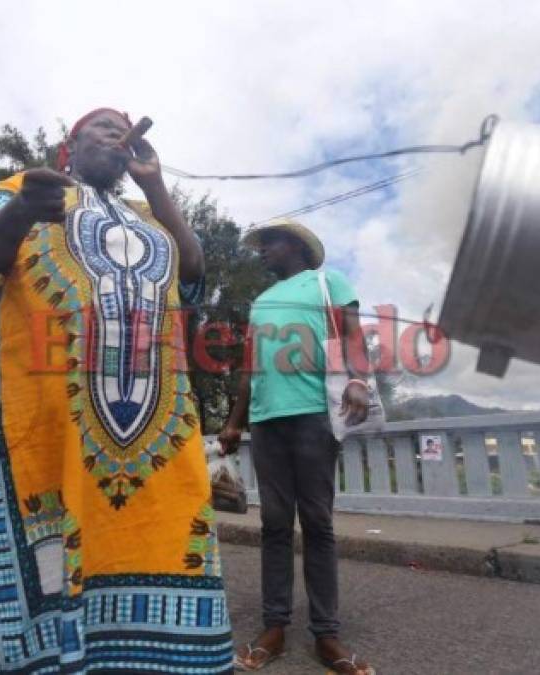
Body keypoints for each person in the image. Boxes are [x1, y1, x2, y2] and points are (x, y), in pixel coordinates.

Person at [0, 108, 232, 673]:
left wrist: (156, 183)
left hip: (155, 434)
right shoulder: (25, 188)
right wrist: (23, 207)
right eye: (101, 127)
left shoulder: (148, 212)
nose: (117, 134)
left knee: (160, 529)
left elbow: (191, 272)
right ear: (69, 146)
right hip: (41, 407)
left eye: (124, 129)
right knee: (49, 527)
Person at [219, 219, 374, 675]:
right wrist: (234, 422)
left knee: (318, 523)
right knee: (273, 525)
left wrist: (360, 380)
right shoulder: (261, 302)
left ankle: (326, 635)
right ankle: (274, 628)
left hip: (314, 414)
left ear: (294, 246)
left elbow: (352, 335)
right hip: (268, 421)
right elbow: (250, 365)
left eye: (269, 244)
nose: (262, 252)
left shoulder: (329, 282)